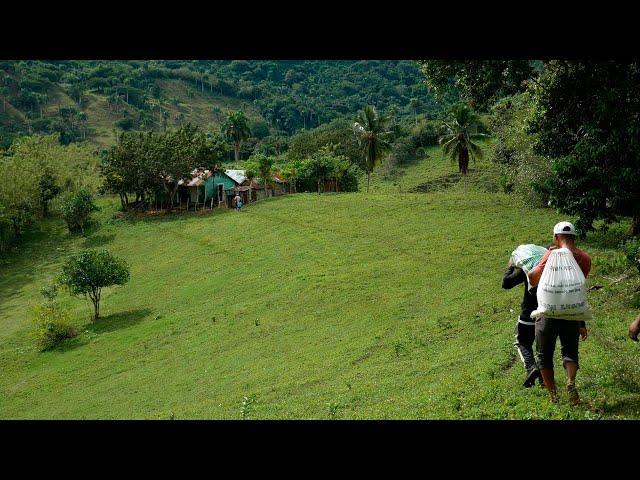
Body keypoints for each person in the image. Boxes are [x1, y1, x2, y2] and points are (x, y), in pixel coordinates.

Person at [528, 221, 591, 405]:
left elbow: (533, 277)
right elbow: (576, 284)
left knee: (544, 355)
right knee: (570, 351)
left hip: (548, 312)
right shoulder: (585, 258)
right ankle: (570, 381)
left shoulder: (552, 255)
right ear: (574, 237)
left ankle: (553, 396)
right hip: (572, 313)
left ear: (556, 237)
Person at [502, 257, 545, 388]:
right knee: (545, 347)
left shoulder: (531, 267)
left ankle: (531, 367)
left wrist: (510, 267)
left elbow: (506, 283)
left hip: (529, 313)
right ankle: (545, 377)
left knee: (522, 342)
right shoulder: (557, 267)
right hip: (550, 313)